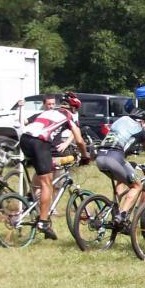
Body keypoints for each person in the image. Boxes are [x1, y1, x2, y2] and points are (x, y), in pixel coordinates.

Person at [19, 91, 90, 239]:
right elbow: (79, 141)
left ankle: (32, 200)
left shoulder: (49, 112)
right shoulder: (67, 116)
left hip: (25, 140)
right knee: (47, 184)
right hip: (40, 143)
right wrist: (85, 156)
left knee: (46, 172)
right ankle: (43, 222)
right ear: (74, 108)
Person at [95, 107, 145, 227]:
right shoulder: (140, 129)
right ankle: (122, 215)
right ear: (143, 122)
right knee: (137, 185)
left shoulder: (120, 121)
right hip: (114, 158)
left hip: (100, 157)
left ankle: (113, 209)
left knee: (122, 179)